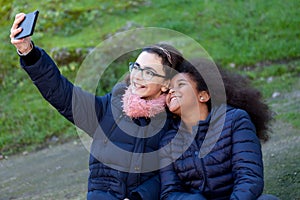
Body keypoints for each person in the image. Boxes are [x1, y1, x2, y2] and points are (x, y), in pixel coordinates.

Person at [10, 13, 185, 200]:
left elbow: (172, 173)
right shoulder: (109, 108)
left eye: (149, 72)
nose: (138, 76)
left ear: (166, 83)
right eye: (136, 67)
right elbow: (60, 92)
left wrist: (138, 197)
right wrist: (29, 52)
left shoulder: (174, 122)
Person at [159, 59, 279, 200]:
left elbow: (249, 177)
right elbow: (170, 193)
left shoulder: (235, 120)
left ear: (203, 95)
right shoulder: (168, 141)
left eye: (180, 84)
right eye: (169, 89)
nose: (172, 91)